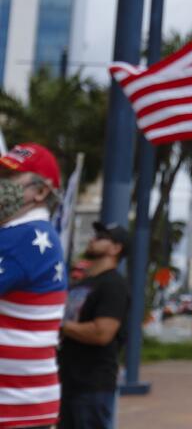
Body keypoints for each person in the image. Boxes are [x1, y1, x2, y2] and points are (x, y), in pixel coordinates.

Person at [0, 144, 66, 429]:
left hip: (17, 409)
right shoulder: (25, 235)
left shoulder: (26, 238)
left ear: (41, 192)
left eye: (9, 178)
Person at [58, 222, 132, 429]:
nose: (93, 239)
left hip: (93, 386)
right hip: (68, 381)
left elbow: (102, 333)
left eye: (101, 237)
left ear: (115, 249)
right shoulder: (84, 282)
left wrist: (60, 325)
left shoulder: (114, 285)